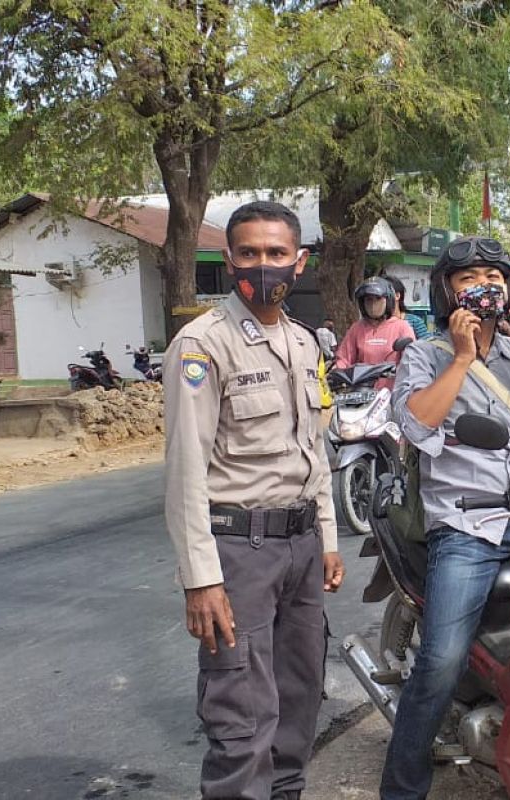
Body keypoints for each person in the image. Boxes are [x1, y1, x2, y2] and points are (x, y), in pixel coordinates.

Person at [380, 236, 510, 800]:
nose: (484, 287)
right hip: (465, 528)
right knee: (441, 660)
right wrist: (464, 357)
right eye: (469, 279)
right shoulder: (423, 354)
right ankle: (402, 788)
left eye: (493, 277)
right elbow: (418, 427)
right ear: (446, 291)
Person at [163, 200, 345, 800]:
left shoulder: (303, 342)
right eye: (248, 253)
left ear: (300, 262)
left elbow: (313, 451)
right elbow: (186, 471)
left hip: (299, 548)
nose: (262, 265)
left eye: (275, 253)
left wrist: (327, 537)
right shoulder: (202, 345)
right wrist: (200, 579)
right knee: (241, 720)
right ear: (229, 259)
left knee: (297, 705)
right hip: (239, 552)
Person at [335, 278, 416, 388]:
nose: (373, 304)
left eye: (378, 299)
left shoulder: (402, 327)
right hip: (361, 394)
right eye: (369, 300)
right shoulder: (357, 328)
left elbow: (412, 363)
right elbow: (344, 360)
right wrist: (335, 373)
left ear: (388, 300)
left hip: (392, 396)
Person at [381, 273, 431, 340]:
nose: (381, 300)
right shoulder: (374, 323)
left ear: (397, 295)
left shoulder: (415, 322)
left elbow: (427, 347)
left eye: (385, 295)